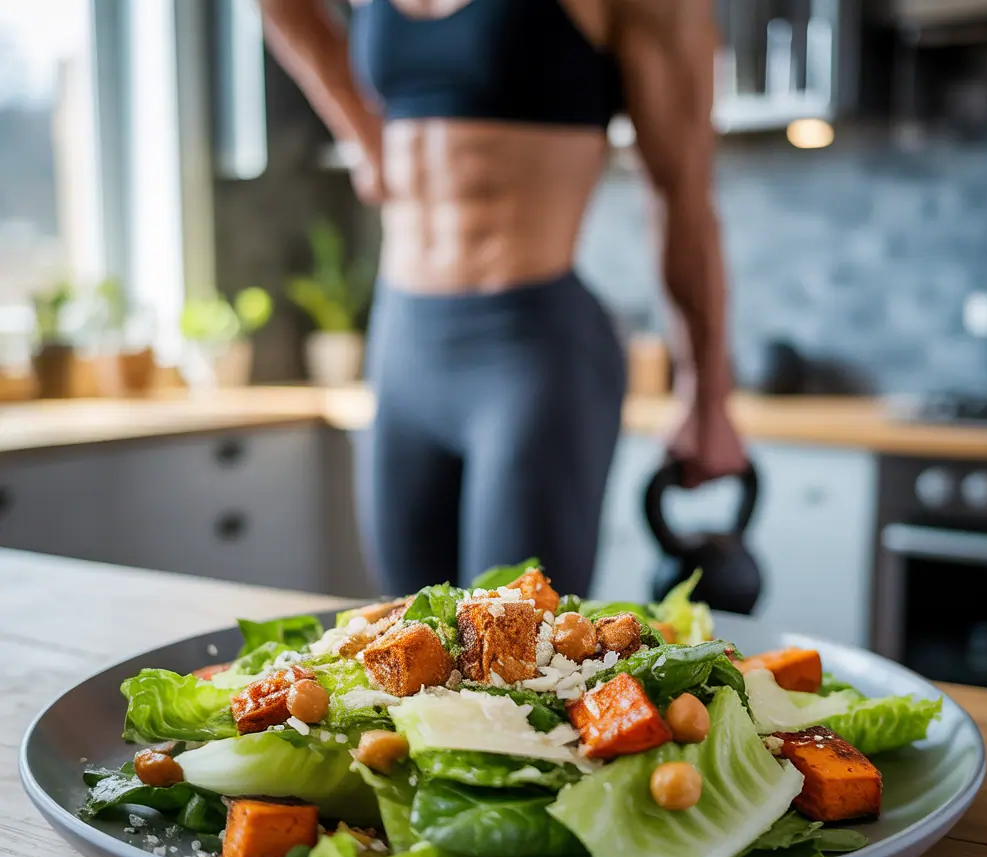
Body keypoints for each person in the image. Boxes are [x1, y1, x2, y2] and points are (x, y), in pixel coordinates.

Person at [260, 0, 748, 597]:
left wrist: (707, 396)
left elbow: (683, 195)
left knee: (522, 637)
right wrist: (360, 131)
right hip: (403, 345)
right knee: (405, 634)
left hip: (532, 353)